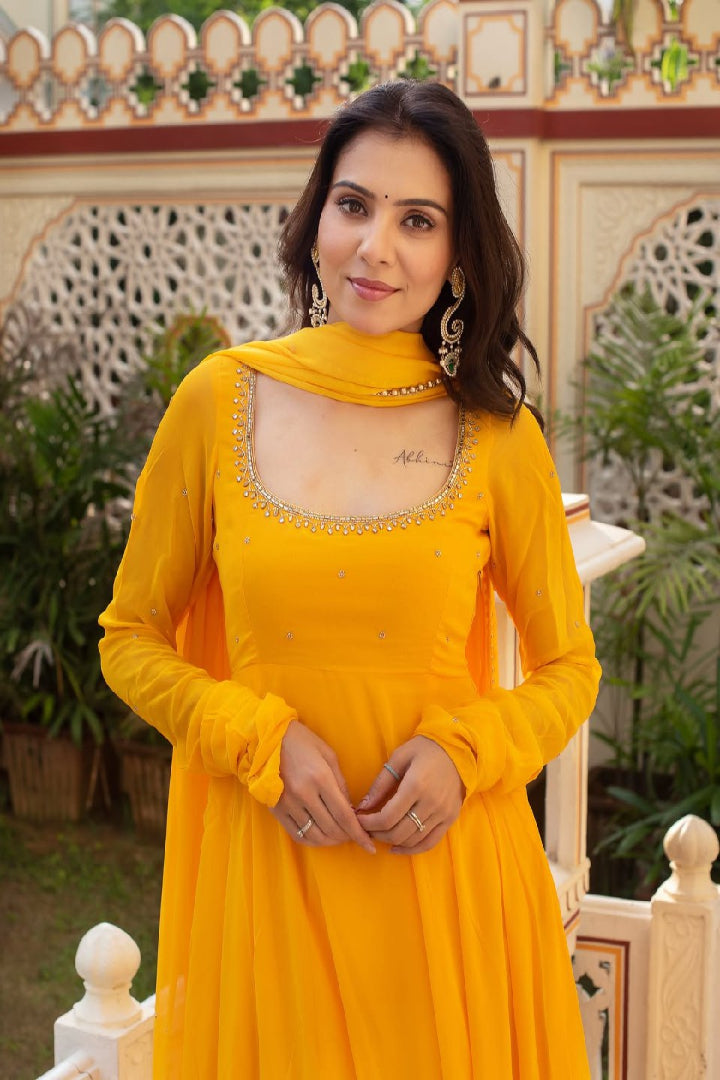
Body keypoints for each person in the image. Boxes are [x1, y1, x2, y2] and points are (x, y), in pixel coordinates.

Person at [99, 80, 601, 1079]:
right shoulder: (219, 400)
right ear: (315, 215)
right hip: (271, 884)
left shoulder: (498, 436)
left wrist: (467, 755)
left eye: (418, 220)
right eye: (355, 204)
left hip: (449, 901)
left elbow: (568, 668)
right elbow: (128, 638)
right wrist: (256, 737)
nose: (377, 247)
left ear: (459, 254)